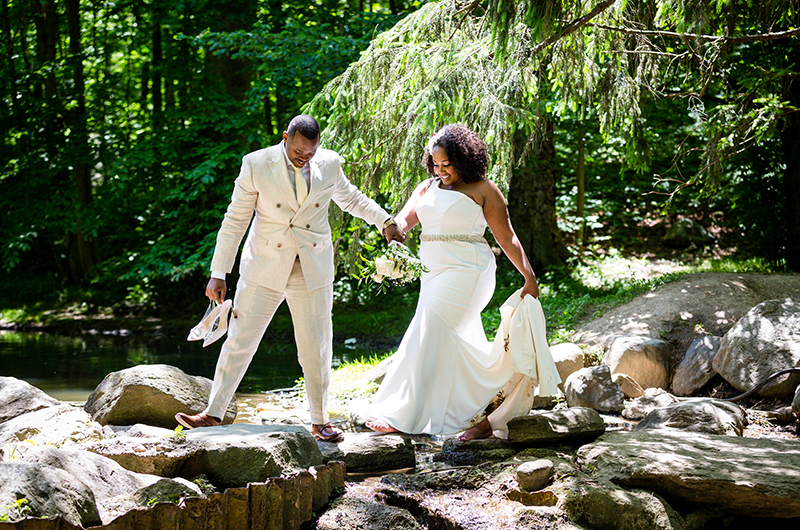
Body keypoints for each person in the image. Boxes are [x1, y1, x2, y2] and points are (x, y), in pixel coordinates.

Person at [176, 115, 405, 442]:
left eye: (310, 152)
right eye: (298, 151)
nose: (304, 157)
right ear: (285, 137)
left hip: (312, 267)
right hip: (265, 265)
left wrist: (385, 221)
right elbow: (235, 220)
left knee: (316, 346)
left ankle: (320, 420)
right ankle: (213, 414)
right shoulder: (256, 164)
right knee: (241, 339)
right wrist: (218, 272)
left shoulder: (330, 164)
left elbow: (352, 199)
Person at [367, 124, 548, 441]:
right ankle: (480, 413)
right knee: (447, 340)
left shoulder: (484, 190)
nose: (441, 171)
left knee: (430, 327)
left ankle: (406, 416)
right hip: (432, 272)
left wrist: (528, 276)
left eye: (446, 165)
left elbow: (506, 237)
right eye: (435, 165)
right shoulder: (426, 188)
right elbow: (403, 224)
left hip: (468, 270)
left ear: (463, 159)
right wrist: (392, 236)